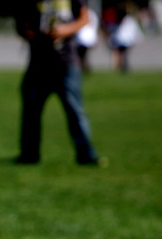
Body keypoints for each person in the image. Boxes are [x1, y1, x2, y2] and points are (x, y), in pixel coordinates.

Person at [15, 0, 101, 165]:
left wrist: (64, 30)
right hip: (38, 63)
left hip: (66, 62)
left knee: (75, 110)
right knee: (31, 110)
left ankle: (86, 155)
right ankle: (29, 155)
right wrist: (33, 35)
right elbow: (21, 24)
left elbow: (85, 19)